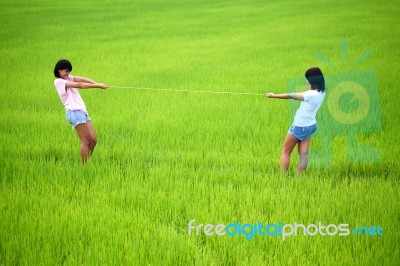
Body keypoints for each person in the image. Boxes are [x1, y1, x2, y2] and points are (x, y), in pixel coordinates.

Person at [266, 67, 325, 174]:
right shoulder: (322, 92)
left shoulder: (310, 94)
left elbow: (291, 95)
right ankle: (300, 179)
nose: (306, 81)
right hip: (310, 125)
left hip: (299, 126)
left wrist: (274, 96)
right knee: (303, 153)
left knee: (286, 152)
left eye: (307, 79)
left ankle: (282, 178)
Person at [53, 59, 108, 164]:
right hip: (74, 113)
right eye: (65, 71)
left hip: (82, 112)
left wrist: (96, 83)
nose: (67, 74)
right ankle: (83, 166)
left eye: (68, 71)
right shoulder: (59, 82)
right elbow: (80, 85)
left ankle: (85, 162)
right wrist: (98, 86)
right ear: (59, 70)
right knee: (85, 141)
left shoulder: (68, 77)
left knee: (93, 140)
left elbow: (82, 79)